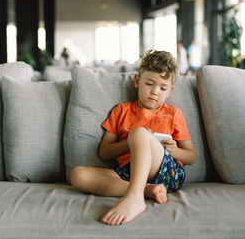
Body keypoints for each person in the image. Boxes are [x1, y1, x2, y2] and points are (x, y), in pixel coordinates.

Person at [70, 50, 196, 226]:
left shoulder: (173, 114)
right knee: (78, 176)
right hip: (129, 172)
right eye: (149, 83)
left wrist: (175, 151)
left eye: (163, 88)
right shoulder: (121, 111)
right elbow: (105, 153)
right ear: (138, 81)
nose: (154, 92)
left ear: (170, 91)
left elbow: (191, 157)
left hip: (167, 171)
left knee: (138, 133)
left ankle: (135, 198)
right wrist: (130, 142)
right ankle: (146, 190)